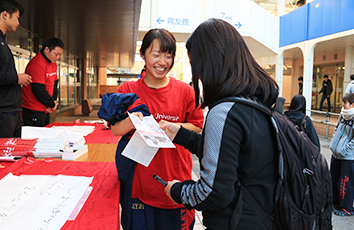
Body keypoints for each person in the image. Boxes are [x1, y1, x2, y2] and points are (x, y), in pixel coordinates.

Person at [160, 18, 279, 229]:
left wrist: (177, 191)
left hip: (236, 222)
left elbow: (213, 193)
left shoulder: (225, 112)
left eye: (195, 64)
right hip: (264, 218)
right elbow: (231, 155)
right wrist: (181, 134)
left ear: (208, 63)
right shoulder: (257, 103)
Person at [110, 28, 204, 230]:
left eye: (168, 55)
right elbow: (115, 130)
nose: (162, 62)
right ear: (143, 54)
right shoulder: (128, 91)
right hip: (139, 184)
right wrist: (134, 120)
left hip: (175, 182)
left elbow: (197, 126)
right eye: (156, 54)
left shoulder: (185, 91)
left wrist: (172, 127)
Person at [0, 0, 32, 137]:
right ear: (5, 15)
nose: (18, 23)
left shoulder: (3, 41)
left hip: (13, 111)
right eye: (17, 18)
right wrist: (17, 78)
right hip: (3, 113)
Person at [21, 38, 64, 127]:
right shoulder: (37, 64)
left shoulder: (53, 63)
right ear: (47, 50)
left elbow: (55, 83)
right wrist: (51, 104)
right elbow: (38, 89)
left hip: (46, 108)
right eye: (56, 54)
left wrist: (54, 101)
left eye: (60, 55)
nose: (58, 57)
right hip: (33, 110)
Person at [329, 93, 354, 216]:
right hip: (336, 154)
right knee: (334, 179)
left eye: (346, 103)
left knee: (345, 183)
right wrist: (334, 143)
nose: (343, 105)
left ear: (353, 104)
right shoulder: (343, 114)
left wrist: (345, 150)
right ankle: (336, 203)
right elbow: (336, 128)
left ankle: (347, 208)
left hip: (348, 157)